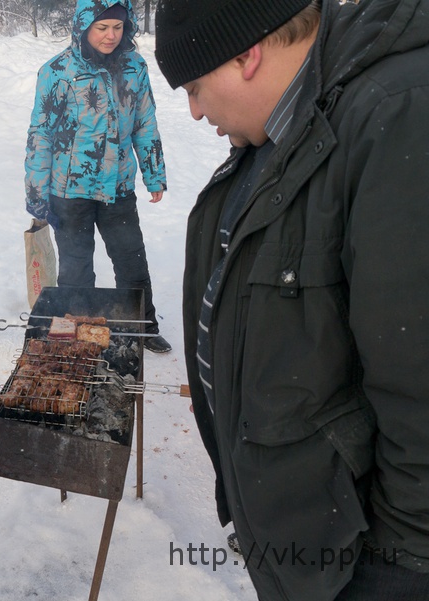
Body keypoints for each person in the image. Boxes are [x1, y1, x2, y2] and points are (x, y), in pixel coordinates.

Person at [155, 0, 429, 599]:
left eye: (195, 87)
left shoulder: (398, 115)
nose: (194, 111)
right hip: (308, 547)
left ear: (246, 55)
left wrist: (399, 569)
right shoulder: (283, 129)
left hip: (365, 566)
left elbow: (418, 380)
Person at [24, 0, 171, 353]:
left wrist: (154, 174)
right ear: (83, 26)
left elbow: (144, 123)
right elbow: (41, 134)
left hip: (118, 186)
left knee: (131, 259)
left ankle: (142, 327)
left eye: (118, 27)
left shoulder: (134, 66)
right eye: (102, 28)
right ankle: (77, 333)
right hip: (69, 191)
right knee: (76, 268)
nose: (110, 36)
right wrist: (37, 193)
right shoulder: (57, 71)